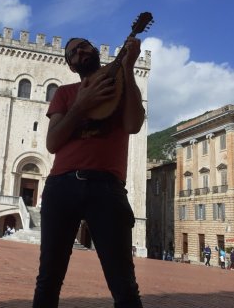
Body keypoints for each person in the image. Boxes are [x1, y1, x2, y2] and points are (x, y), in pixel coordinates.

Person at [32, 36, 145, 308]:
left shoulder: (121, 87)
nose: (80, 50)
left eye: (84, 45)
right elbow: (52, 142)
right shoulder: (65, 93)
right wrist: (82, 105)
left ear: (96, 51)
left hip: (106, 188)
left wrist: (128, 67)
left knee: (124, 284)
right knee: (49, 278)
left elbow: (133, 125)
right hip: (62, 185)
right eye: (72, 52)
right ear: (71, 66)